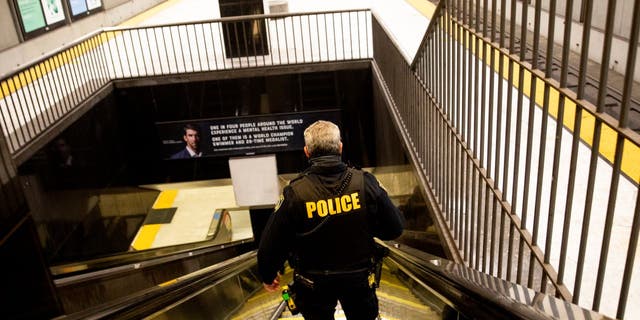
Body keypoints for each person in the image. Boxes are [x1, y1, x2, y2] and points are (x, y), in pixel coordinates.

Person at [258, 120, 404, 319]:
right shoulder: (365, 182)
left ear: (307, 152)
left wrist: (268, 275)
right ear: (340, 148)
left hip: (312, 284)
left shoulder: (294, 193)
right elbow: (394, 228)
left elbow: (271, 243)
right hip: (358, 279)